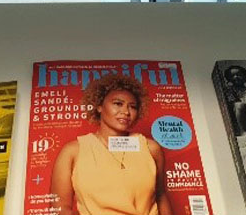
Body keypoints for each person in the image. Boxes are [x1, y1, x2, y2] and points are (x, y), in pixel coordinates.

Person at [50, 74, 173, 215]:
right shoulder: (73, 151)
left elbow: (161, 196)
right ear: (99, 106)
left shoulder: (150, 148)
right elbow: (60, 208)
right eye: (118, 104)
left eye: (132, 107)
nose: (126, 112)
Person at [222, 65, 246, 136]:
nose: (236, 77)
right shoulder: (229, 89)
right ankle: (243, 130)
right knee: (239, 105)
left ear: (245, 77)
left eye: (239, 75)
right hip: (235, 111)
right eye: (232, 76)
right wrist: (244, 101)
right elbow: (232, 101)